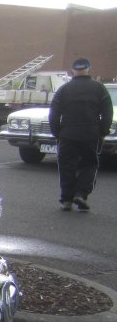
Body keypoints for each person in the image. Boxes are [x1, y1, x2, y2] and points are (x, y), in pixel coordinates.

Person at [49, 57, 113, 211]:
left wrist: (57, 133)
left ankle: (67, 199)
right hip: (91, 134)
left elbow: (54, 114)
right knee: (89, 164)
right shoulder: (99, 88)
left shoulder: (64, 89)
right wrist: (103, 131)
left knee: (66, 166)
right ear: (88, 69)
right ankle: (81, 194)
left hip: (67, 134)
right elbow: (107, 112)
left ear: (73, 71)